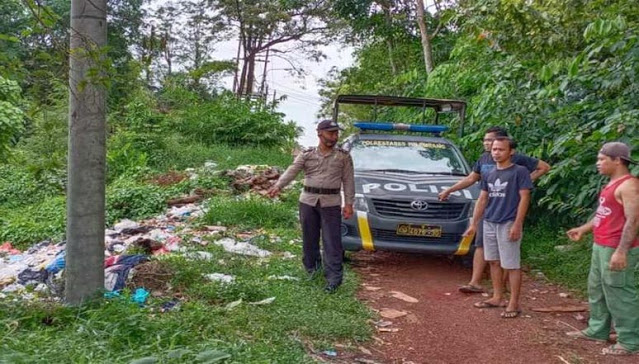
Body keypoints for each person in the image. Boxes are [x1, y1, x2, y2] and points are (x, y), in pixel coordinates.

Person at [439, 126, 550, 293]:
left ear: (506, 145)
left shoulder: (517, 163)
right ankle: (475, 283)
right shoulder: (484, 160)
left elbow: (544, 167)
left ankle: (505, 290)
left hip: (507, 211)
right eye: (486, 141)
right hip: (487, 211)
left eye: (491, 141)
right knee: (481, 244)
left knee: (506, 253)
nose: (488, 144)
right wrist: (449, 190)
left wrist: (524, 182)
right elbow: (472, 179)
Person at [565, 142, 639, 356]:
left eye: (601, 159)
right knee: (597, 289)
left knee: (620, 292)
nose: (597, 164)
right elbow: (603, 213)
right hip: (601, 245)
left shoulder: (629, 185)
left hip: (615, 247)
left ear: (617, 160)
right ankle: (597, 329)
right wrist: (584, 229)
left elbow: (633, 221)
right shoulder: (611, 183)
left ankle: (630, 340)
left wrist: (621, 251)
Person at [268, 119, 355, 294]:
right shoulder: (307, 154)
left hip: (331, 203)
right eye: (331, 133)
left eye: (336, 133)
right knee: (309, 239)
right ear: (319, 133)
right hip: (308, 201)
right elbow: (292, 171)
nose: (334, 136)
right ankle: (312, 271)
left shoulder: (343, 156)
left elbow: (348, 181)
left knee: (332, 242)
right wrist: (278, 186)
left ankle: (333, 280)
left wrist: (349, 204)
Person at [463, 136, 533, 318]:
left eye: (501, 149)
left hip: (508, 221)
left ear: (511, 151)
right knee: (493, 261)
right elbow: (483, 199)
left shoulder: (520, 171)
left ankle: (514, 303)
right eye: (494, 149)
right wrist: (474, 224)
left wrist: (517, 224)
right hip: (489, 222)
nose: (496, 153)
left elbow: (524, 198)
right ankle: (497, 297)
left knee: (511, 264)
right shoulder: (489, 173)